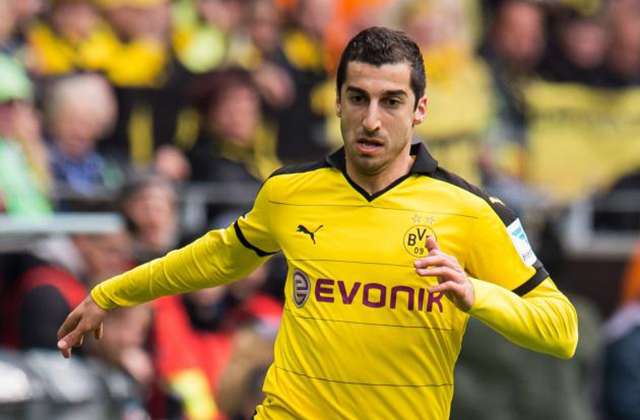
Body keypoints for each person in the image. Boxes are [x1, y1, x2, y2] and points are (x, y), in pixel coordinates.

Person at [57, 26, 578, 419]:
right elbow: (218, 256)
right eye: (358, 98)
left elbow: (562, 331)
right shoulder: (290, 192)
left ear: (420, 109)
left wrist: (476, 294)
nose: (371, 119)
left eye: (391, 102)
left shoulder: (473, 211)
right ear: (337, 102)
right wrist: (113, 293)